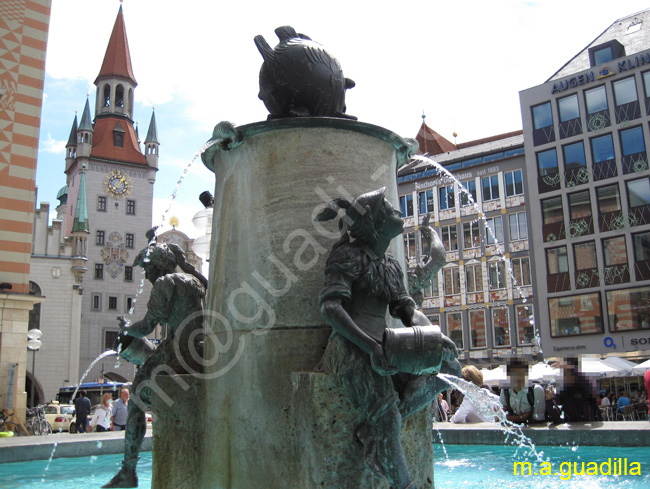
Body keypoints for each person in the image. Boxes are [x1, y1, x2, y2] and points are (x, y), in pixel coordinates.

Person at [317, 188, 460, 489]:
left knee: (451, 370)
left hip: (386, 344)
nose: (399, 212)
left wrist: (436, 339)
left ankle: (382, 423)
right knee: (387, 416)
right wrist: (370, 347)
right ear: (377, 223)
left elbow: (410, 314)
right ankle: (401, 477)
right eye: (391, 209)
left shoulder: (391, 266)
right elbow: (331, 308)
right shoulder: (348, 256)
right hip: (352, 346)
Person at [103, 236, 207, 488]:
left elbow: (148, 325)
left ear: (159, 266)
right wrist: (186, 263)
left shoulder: (164, 282)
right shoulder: (194, 280)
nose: (147, 274)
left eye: (148, 268)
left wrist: (128, 329)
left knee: (136, 400)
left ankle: (128, 470)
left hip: (176, 354)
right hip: (201, 351)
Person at [556, 357, 602, 422]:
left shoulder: (584, 385)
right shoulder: (566, 389)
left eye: (567, 372)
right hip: (572, 422)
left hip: (585, 422)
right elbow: (559, 401)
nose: (565, 377)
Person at [499, 359, 545, 424]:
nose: (518, 378)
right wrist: (522, 417)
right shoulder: (505, 390)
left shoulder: (536, 390)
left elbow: (538, 419)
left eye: (521, 374)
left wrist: (510, 417)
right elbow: (501, 417)